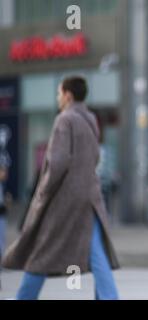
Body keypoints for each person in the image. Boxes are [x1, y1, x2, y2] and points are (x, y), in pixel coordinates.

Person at [2, 76, 120, 300]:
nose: (58, 98)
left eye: (59, 93)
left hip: (65, 199)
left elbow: (57, 163)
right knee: (97, 253)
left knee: (43, 250)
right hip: (90, 196)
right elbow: (95, 156)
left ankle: (23, 297)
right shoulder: (91, 119)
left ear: (68, 94)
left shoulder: (65, 120)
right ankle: (110, 297)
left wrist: (41, 194)